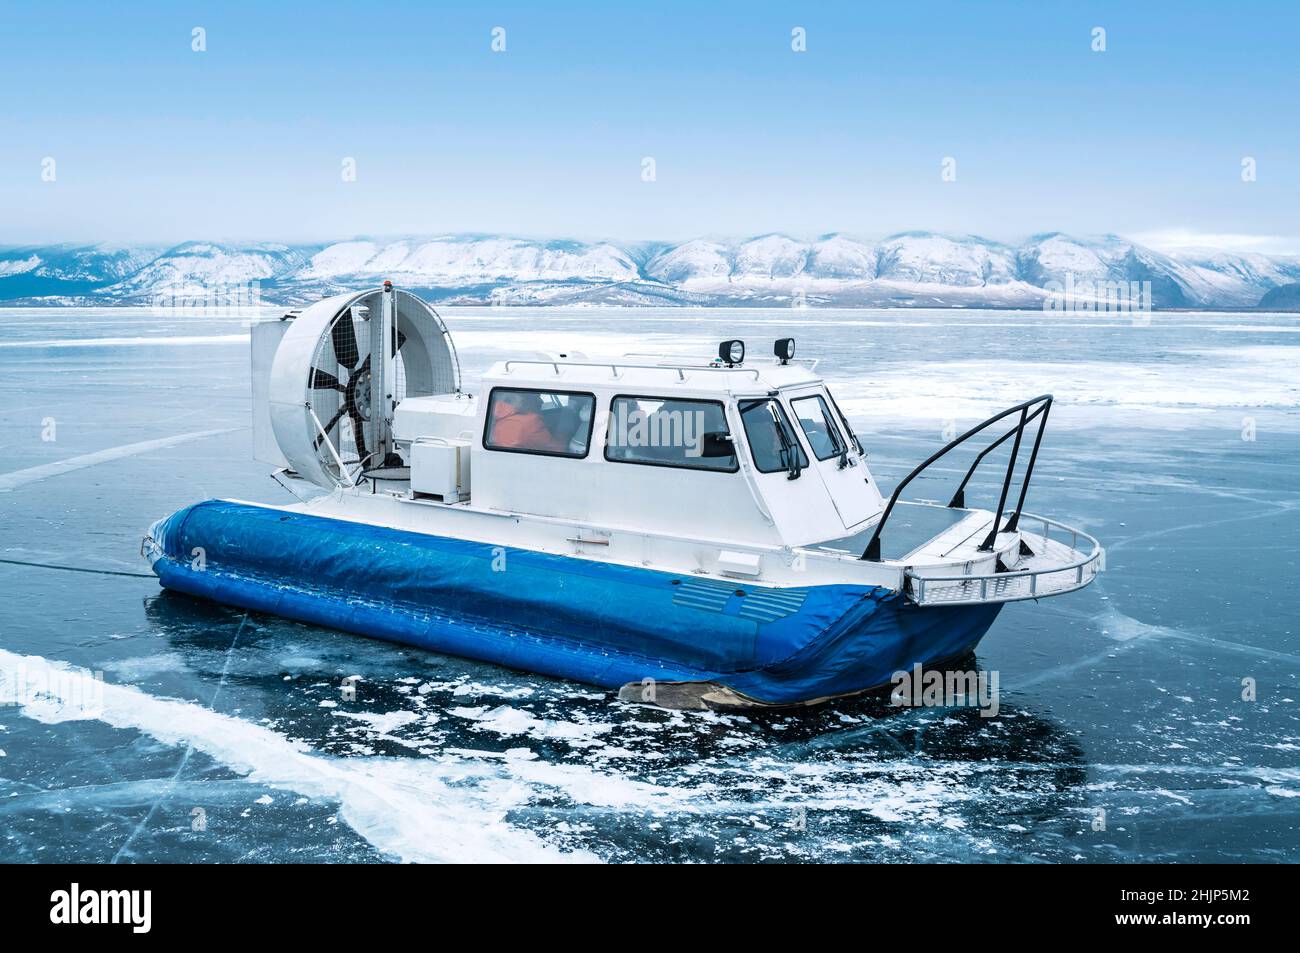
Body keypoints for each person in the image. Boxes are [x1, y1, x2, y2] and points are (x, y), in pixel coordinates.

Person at [490, 392, 563, 451]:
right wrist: (566, 426)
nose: (541, 401)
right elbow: (558, 449)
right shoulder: (530, 422)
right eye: (536, 397)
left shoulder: (495, 415)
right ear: (523, 399)